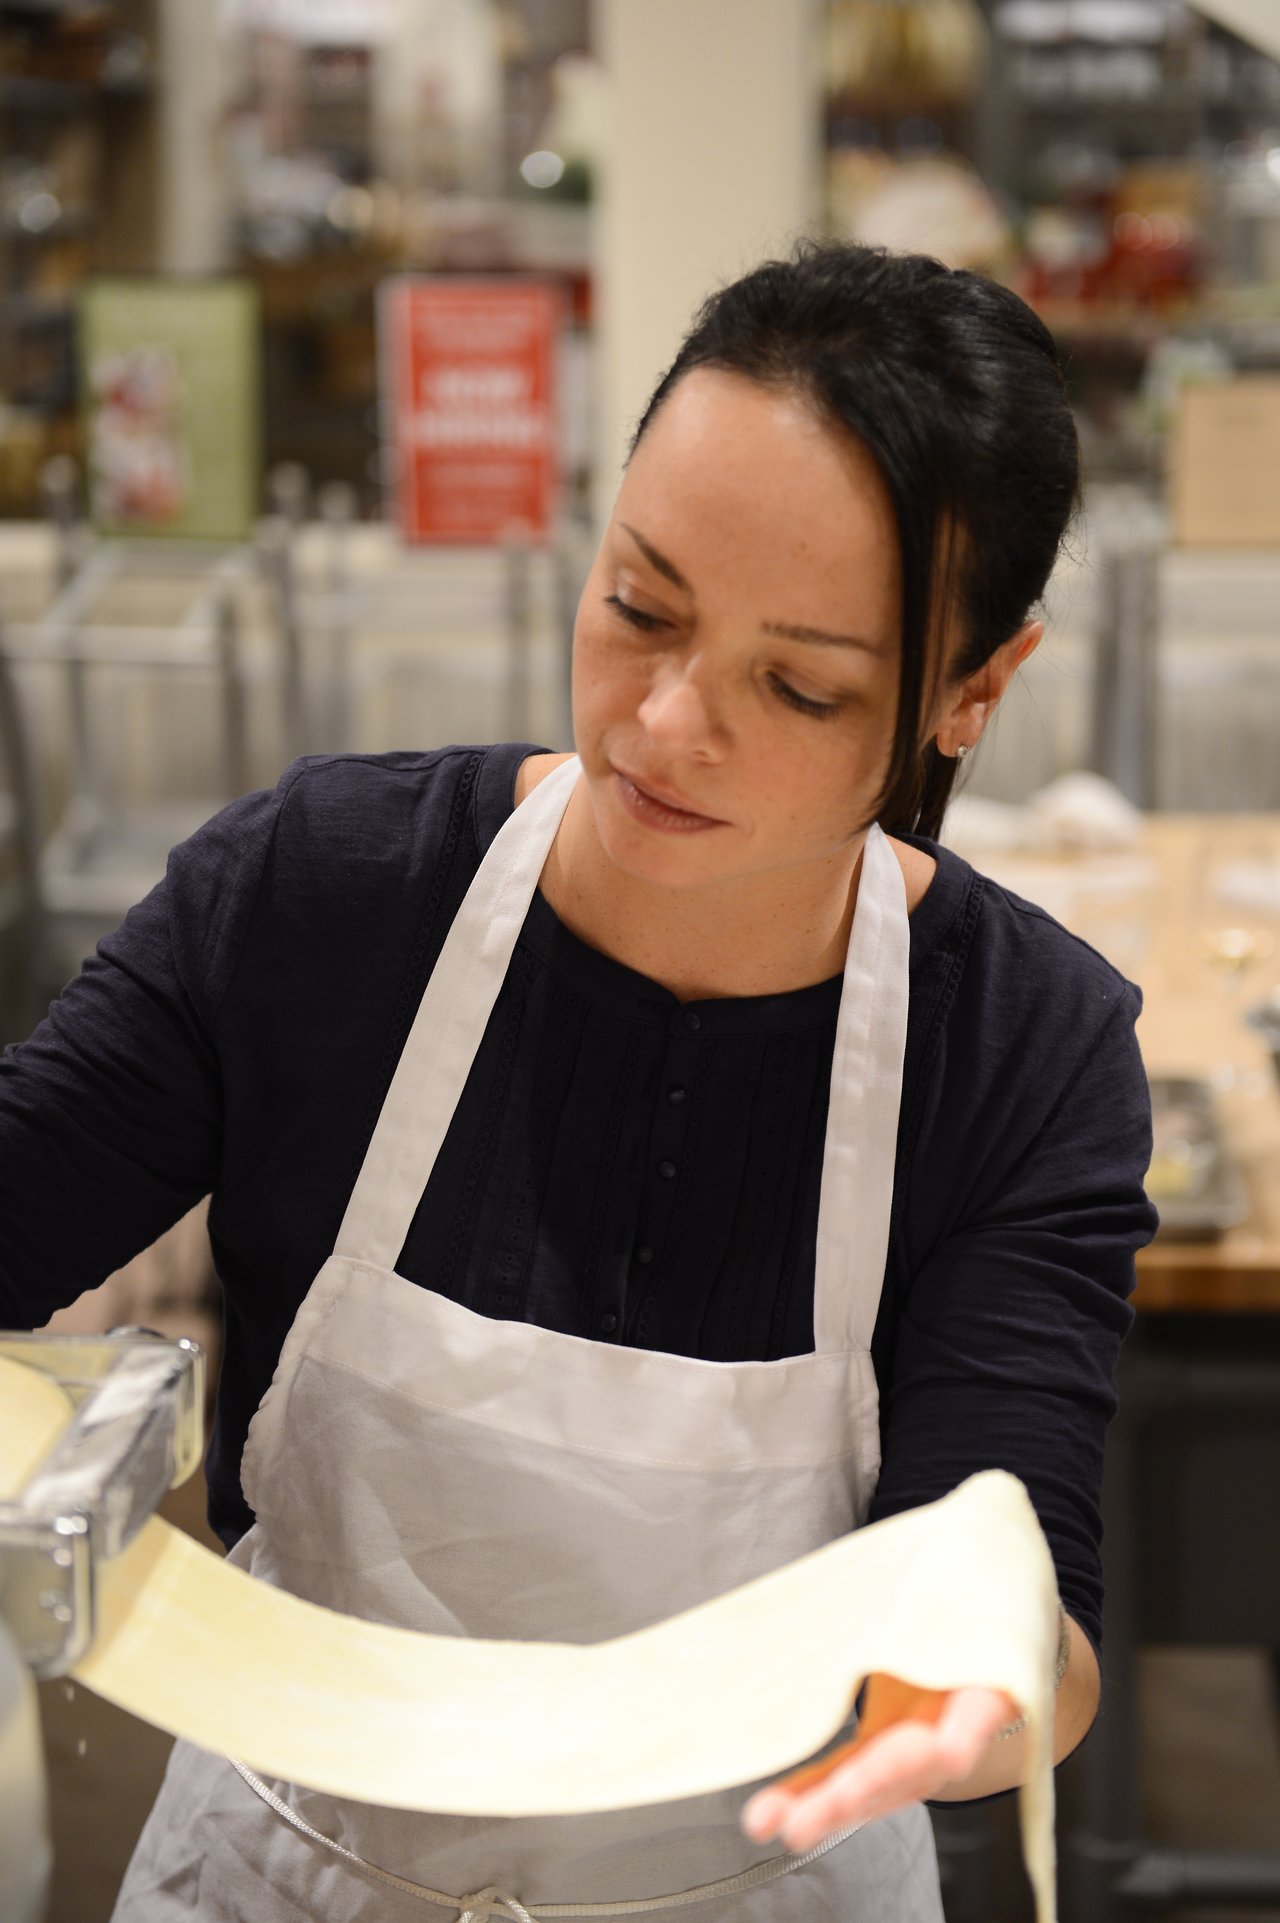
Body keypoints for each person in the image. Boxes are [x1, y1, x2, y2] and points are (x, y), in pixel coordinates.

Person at [0, 241, 1156, 1922]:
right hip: (285, 1873)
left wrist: (981, 1687)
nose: (666, 723)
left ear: (973, 692)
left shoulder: (1019, 1051)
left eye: (800, 684)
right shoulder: (323, 896)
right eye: (640, 605)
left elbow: (1014, 1580)